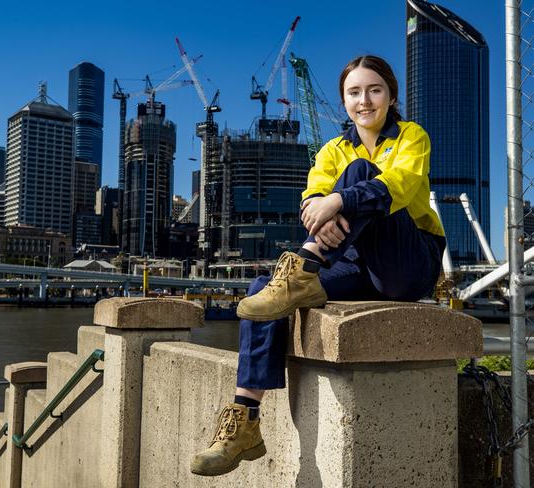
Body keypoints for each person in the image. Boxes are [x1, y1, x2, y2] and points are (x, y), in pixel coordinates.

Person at [190, 54, 446, 477]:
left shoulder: (411, 136)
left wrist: (338, 201)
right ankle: (245, 419)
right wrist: (321, 208)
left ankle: (306, 262)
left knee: (363, 172)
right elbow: (312, 200)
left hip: (407, 261)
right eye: (354, 93)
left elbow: (400, 184)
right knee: (262, 289)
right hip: (353, 261)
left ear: (391, 95)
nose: (364, 100)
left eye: (374, 90)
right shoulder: (331, 149)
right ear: (344, 100)